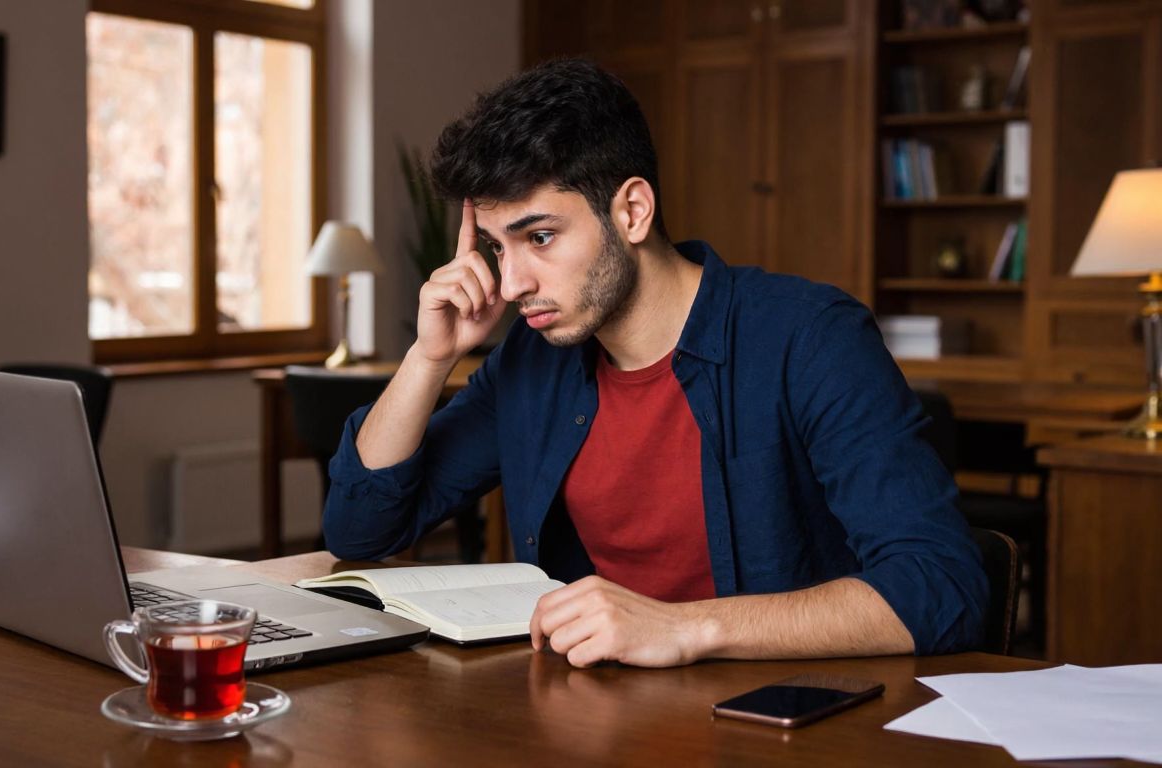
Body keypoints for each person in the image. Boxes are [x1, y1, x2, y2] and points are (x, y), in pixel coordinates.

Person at [322, 58, 987, 668]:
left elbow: (941, 585)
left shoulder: (808, 338)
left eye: (541, 237)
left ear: (633, 211)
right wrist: (429, 355)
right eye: (497, 248)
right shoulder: (533, 358)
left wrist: (686, 628)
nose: (513, 281)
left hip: (785, 724)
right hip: (596, 716)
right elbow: (361, 529)